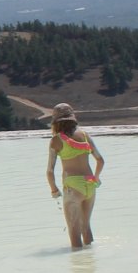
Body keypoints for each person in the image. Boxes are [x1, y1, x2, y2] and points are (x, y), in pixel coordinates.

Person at [44, 103, 103, 250]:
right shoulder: (84, 135)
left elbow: (50, 171)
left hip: (72, 187)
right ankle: (91, 260)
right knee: (86, 227)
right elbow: (100, 160)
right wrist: (96, 177)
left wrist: (54, 190)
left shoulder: (56, 140)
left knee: (74, 231)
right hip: (90, 184)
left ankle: (79, 267)